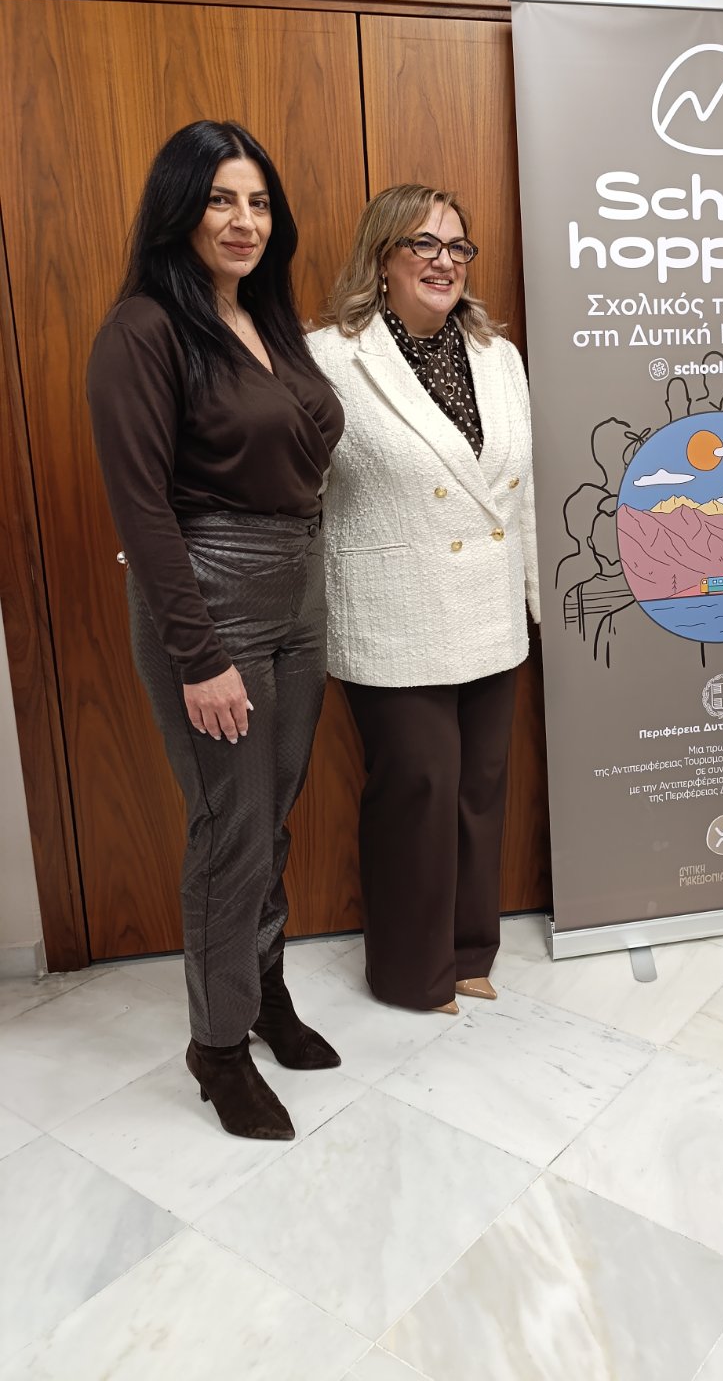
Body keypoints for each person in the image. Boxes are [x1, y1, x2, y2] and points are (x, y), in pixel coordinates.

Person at [87, 121, 344, 1142]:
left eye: (259, 202)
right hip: (211, 597)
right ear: (179, 209)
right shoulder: (143, 329)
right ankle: (218, 1046)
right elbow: (141, 508)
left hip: (299, 592)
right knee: (229, 831)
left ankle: (263, 992)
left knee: (268, 821)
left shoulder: (265, 318)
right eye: (220, 200)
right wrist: (199, 656)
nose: (244, 221)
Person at [309, 185, 539, 1013]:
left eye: (457, 246)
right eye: (423, 244)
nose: (445, 261)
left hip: (489, 607)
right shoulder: (327, 358)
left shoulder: (498, 355)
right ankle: (411, 973)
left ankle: (470, 951)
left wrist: (534, 595)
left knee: (479, 786)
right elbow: (300, 492)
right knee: (420, 787)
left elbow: (522, 488)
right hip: (392, 610)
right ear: (382, 257)